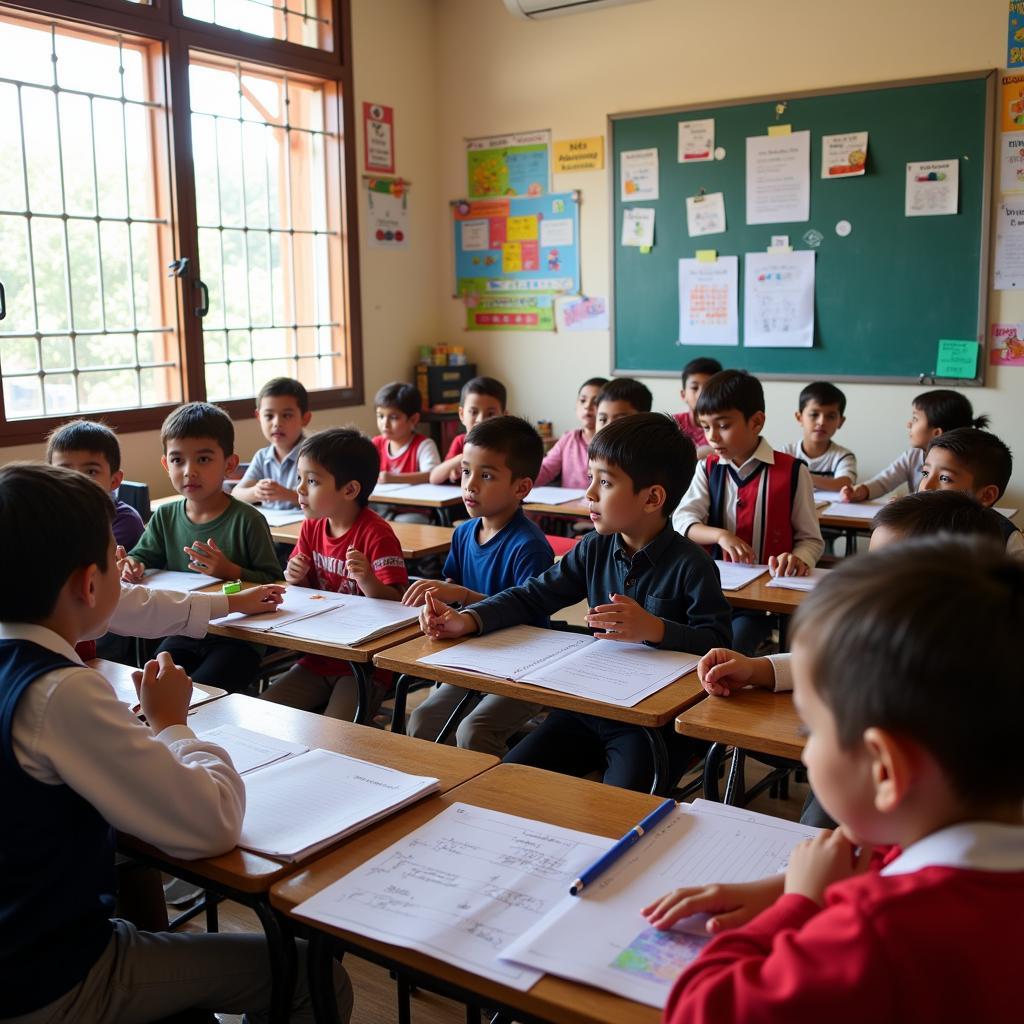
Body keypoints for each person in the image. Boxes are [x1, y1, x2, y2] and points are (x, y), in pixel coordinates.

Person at [0, 464, 351, 1024]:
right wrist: (170, 724)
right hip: (45, 977)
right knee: (314, 975)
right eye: (117, 565)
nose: (126, 575)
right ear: (89, 584)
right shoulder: (59, 693)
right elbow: (211, 823)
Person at [645, 538, 1024, 1024]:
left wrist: (800, 904)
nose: (806, 745)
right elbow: (902, 859)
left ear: (885, 770)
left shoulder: (877, 932)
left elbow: (701, 1009)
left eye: (811, 729)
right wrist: (782, 888)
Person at [418, 413, 731, 792]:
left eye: (605, 482)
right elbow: (533, 594)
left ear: (652, 497)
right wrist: (468, 620)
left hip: (654, 725)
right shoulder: (594, 548)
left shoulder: (692, 564)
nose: (590, 494)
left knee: (620, 804)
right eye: (590, 480)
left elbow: (719, 645)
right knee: (510, 781)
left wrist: (657, 629)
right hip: (589, 707)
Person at [696, 489, 1008, 828]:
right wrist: (757, 668)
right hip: (865, 780)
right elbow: (831, 662)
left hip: (916, 802)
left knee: (820, 825)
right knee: (815, 826)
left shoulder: (972, 661)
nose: (867, 580)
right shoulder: (888, 628)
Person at [405, 416, 554, 754]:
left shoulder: (528, 545)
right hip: (474, 656)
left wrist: (461, 596)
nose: (470, 485)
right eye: (467, 471)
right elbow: (451, 595)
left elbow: (528, 617)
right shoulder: (463, 533)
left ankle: (494, 797)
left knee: (474, 732)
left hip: (524, 666)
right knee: (423, 719)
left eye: (486, 476)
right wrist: (435, 612)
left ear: (521, 487)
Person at [122, 402, 280, 690]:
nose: (189, 471)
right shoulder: (166, 516)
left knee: (205, 692)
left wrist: (229, 570)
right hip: (184, 629)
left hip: (238, 637)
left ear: (230, 465)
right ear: (165, 464)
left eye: (203, 460)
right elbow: (144, 555)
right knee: (154, 682)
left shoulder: (248, 520)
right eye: (177, 460)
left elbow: (274, 583)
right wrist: (134, 565)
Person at [261, 428, 408, 720]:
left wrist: (367, 580)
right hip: (318, 656)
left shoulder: (376, 534)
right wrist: (294, 576)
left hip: (364, 664)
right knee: (265, 712)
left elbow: (399, 603)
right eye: (300, 478)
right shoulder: (312, 526)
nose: (300, 489)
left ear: (350, 490)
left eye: (312, 481)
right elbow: (301, 589)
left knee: (336, 729)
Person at [673, 370, 823, 655]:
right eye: (705, 427)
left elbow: (811, 540)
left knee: (728, 648)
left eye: (723, 425)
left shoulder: (792, 472)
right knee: (678, 645)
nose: (713, 437)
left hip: (762, 606)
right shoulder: (707, 468)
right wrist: (720, 535)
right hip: (708, 596)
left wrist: (799, 558)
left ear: (756, 422)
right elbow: (683, 521)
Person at [839, 388, 988, 502]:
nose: (909, 423)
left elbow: (948, 500)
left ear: (937, 433)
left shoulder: (963, 463)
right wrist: (861, 490)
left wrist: (908, 503)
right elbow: (883, 482)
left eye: (915, 419)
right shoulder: (913, 456)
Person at [919, 427, 1023, 559]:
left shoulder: (1005, 539)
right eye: (925, 473)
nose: (926, 486)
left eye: (945, 478)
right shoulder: (910, 525)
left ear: (986, 495)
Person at [46, 419, 144, 550]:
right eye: (64, 470)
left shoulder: (124, 521)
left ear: (114, 481)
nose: (76, 480)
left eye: (91, 472)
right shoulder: (47, 516)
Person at [233, 376, 312, 509]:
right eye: (269, 416)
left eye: (287, 415)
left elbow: (324, 499)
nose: (277, 423)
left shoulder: (314, 455)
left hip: (304, 526)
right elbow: (236, 494)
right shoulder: (262, 457)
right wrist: (255, 492)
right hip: (272, 527)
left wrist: (287, 495)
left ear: (305, 418)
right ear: (258, 417)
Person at [429, 376, 507, 485]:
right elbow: (434, 478)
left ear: (504, 416)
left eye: (490, 414)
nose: (480, 420)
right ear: (462, 415)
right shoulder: (461, 442)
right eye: (474, 412)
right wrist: (461, 461)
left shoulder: (507, 445)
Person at [782, 381, 857, 492]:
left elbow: (844, 483)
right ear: (799, 417)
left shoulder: (843, 456)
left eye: (830, 416)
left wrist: (800, 476)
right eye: (814, 415)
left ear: (841, 422)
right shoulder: (786, 453)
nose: (821, 422)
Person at [535, 376, 608, 488]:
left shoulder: (613, 444)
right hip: (569, 505)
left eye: (596, 402)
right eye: (583, 401)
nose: (587, 406)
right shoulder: (569, 438)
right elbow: (546, 469)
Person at [372, 381, 440, 484]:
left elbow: (432, 475)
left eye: (393, 418)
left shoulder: (424, 445)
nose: (385, 423)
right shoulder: (376, 444)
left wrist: (393, 479)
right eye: (381, 416)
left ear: (413, 419)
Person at [675, 357, 721, 458]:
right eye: (695, 388)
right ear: (683, 395)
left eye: (708, 387)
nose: (701, 393)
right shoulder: (673, 424)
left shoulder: (727, 425)